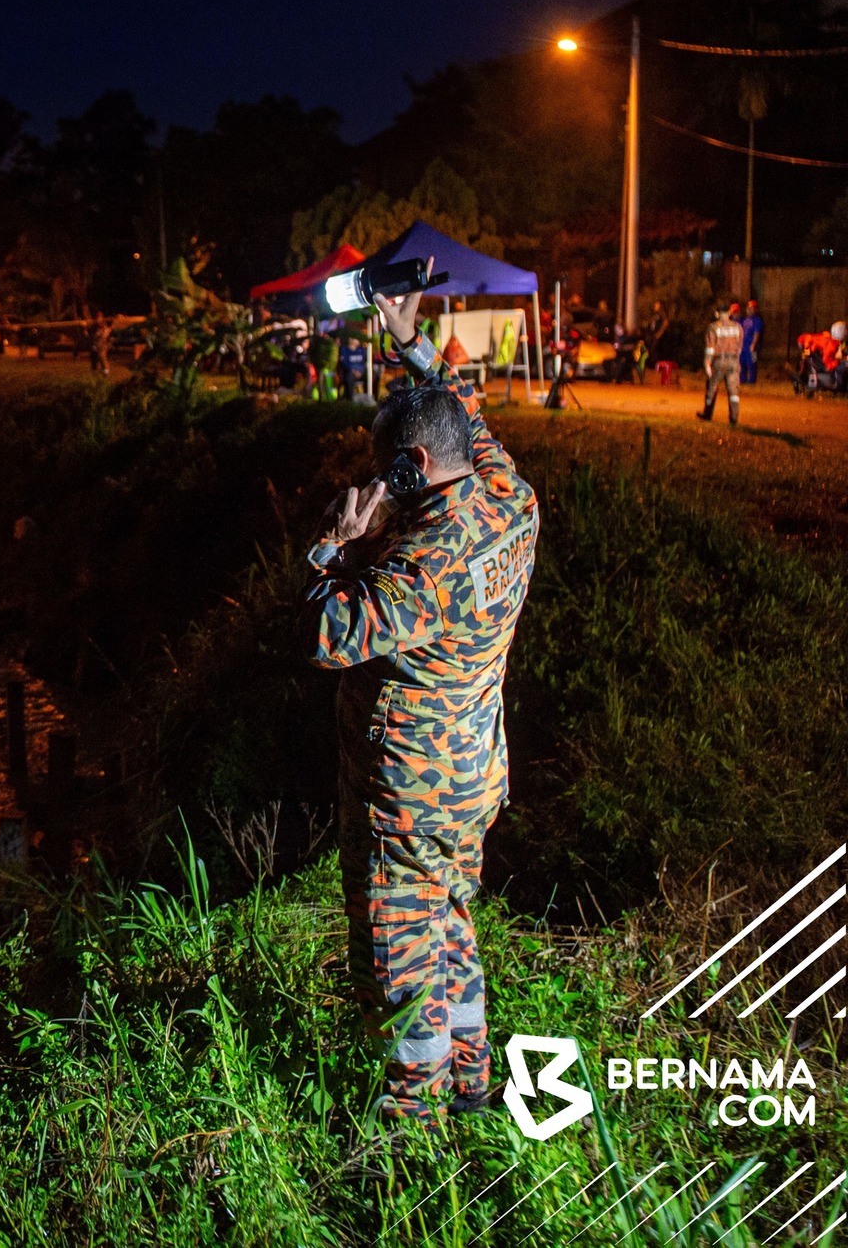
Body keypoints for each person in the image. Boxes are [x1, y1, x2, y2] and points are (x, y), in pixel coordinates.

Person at [304, 277, 538, 1125]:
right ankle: (475, 1081)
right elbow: (467, 418)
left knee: (399, 956)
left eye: (388, 471)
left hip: (406, 793)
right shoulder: (511, 498)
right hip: (474, 776)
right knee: (451, 921)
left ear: (412, 467)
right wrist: (411, 347)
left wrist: (336, 542)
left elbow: (328, 634)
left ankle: (414, 1125)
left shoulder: (421, 567)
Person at [700, 301, 744, 425]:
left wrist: (707, 362)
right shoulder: (738, 327)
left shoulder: (713, 327)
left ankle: (707, 414)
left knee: (712, 388)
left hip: (719, 361)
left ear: (717, 314)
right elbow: (740, 345)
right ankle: (734, 418)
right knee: (733, 391)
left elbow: (710, 347)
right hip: (733, 361)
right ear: (729, 313)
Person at [739, 298, 762, 385]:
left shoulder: (757, 320)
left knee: (752, 363)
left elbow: (757, 333)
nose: (749, 310)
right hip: (744, 345)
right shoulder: (744, 319)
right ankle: (743, 380)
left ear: (755, 309)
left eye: (751, 308)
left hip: (752, 346)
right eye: (748, 308)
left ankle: (752, 381)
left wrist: (753, 344)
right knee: (742, 362)